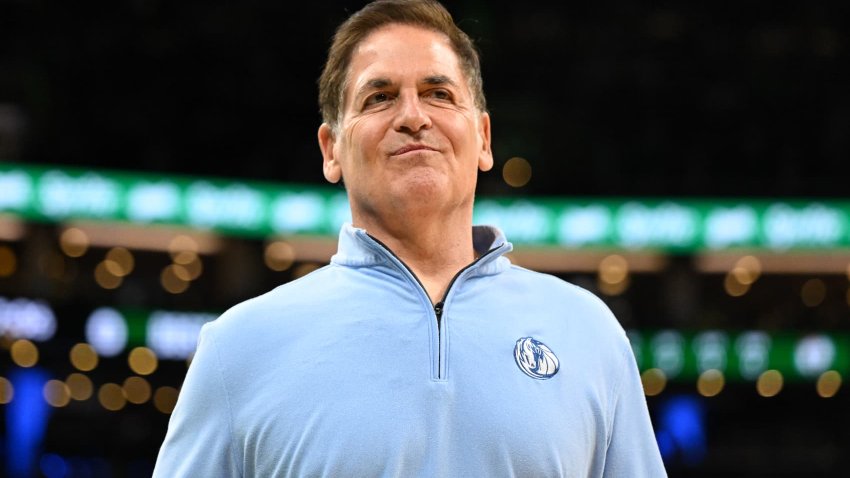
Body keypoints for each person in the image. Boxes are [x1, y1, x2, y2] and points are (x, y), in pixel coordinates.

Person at [152, 0, 668, 476]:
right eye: (379, 97)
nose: (414, 117)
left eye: (438, 94)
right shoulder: (238, 348)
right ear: (331, 150)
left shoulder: (590, 334)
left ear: (483, 139)